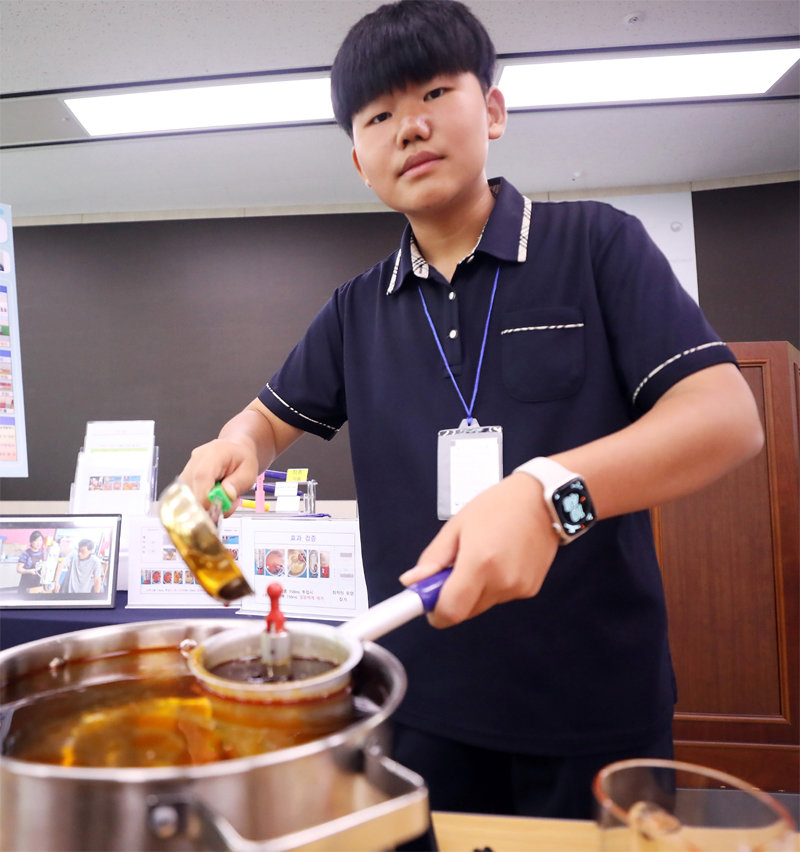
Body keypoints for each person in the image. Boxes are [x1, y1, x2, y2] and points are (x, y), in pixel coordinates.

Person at [178, 0, 763, 829]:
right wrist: (237, 443)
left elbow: (728, 417)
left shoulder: (597, 245)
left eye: (431, 96)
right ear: (359, 160)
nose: (408, 128)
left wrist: (546, 492)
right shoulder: (354, 310)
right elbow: (265, 424)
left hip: (593, 701)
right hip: (417, 701)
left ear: (491, 109)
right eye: (379, 114)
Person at [16, 530, 44, 595]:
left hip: (37, 582)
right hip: (26, 582)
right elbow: (18, 569)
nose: (38, 543)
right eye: (36, 540)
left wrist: (43, 569)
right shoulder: (25, 554)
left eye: (40, 540)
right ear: (31, 542)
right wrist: (29, 571)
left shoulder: (41, 553)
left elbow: (42, 564)